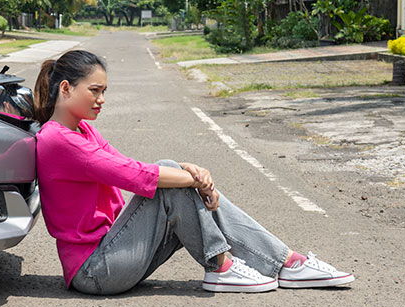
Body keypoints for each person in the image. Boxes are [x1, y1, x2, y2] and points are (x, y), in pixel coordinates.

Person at [33, 49, 355, 294]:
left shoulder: (82, 132)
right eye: (95, 90)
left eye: (104, 91)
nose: (101, 99)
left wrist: (188, 172)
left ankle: (285, 263)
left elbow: (130, 166)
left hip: (115, 251)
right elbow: (136, 177)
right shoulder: (58, 140)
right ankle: (227, 265)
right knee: (170, 176)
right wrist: (195, 180)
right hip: (94, 270)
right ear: (65, 88)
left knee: (170, 172)